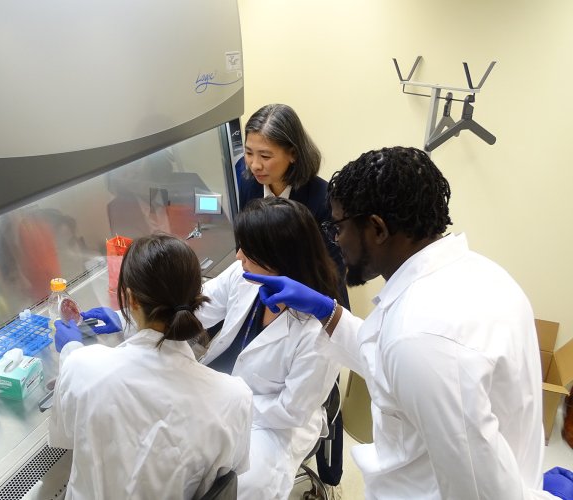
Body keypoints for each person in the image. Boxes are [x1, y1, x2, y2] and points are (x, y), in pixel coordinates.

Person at [245, 146, 555, 499]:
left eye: (339, 226)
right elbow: (394, 368)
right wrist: (327, 312)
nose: (335, 239)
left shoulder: (422, 338)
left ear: (376, 228)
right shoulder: (483, 274)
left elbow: (479, 492)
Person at [48, 233, 253, 500]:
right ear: (197, 296)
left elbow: (65, 437)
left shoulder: (82, 367)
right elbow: (231, 470)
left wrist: (70, 349)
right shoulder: (234, 398)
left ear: (130, 299)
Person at [196, 197, 341, 500]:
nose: (238, 257)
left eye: (247, 251)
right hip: (218, 392)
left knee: (243, 485)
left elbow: (290, 411)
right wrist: (133, 316)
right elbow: (199, 306)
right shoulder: (246, 274)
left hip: (272, 424)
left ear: (279, 258)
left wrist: (228, 401)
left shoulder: (319, 330)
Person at [236, 102, 347, 488]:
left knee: (314, 375)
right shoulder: (246, 179)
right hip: (269, 289)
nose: (255, 165)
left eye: (265, 155)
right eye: (249, 153)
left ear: (292, 154)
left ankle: (330, 471)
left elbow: (331, 265)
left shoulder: (321, 198)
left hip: (314, 294)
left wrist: (309, 298)